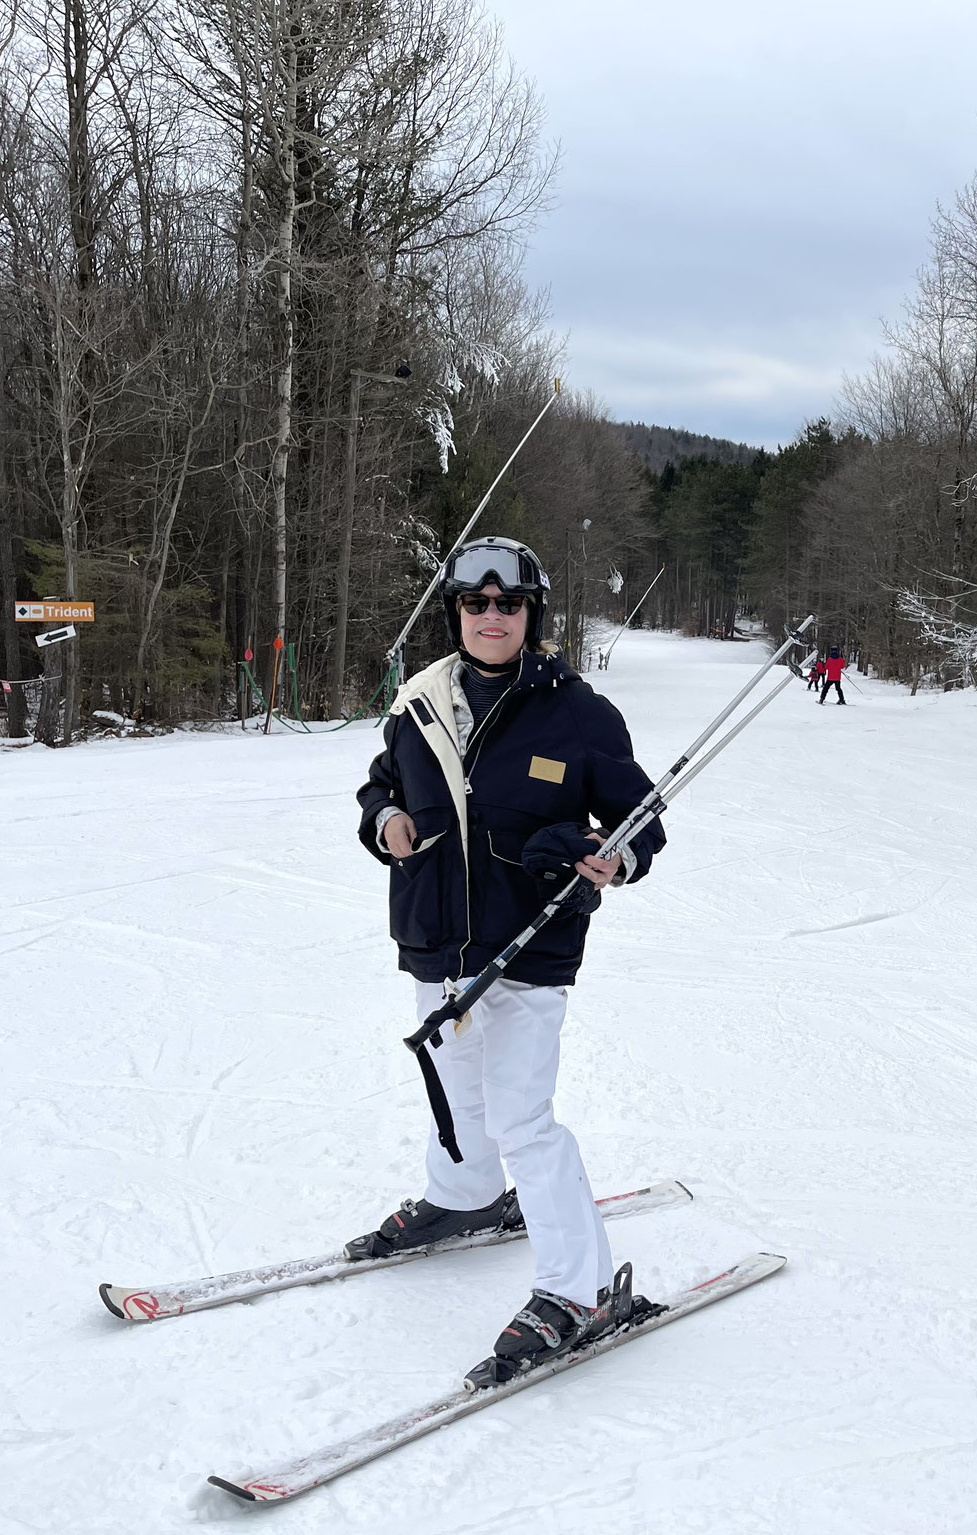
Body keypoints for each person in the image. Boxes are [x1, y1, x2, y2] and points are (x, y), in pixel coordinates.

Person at [351, 536, 667, 1380]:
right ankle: (464, 1198)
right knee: (456, 1092)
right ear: (455, 612)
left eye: (509, 604)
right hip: (434, 939)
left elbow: (644, 820)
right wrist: (385, 821)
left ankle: (580, 1288)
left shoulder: (579, 714)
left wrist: (614, 855)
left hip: (528, 946)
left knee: (523, 1117)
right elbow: (381, 783)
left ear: (533, 612)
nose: (492, 617)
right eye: (474, 604)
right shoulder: (419, 702)